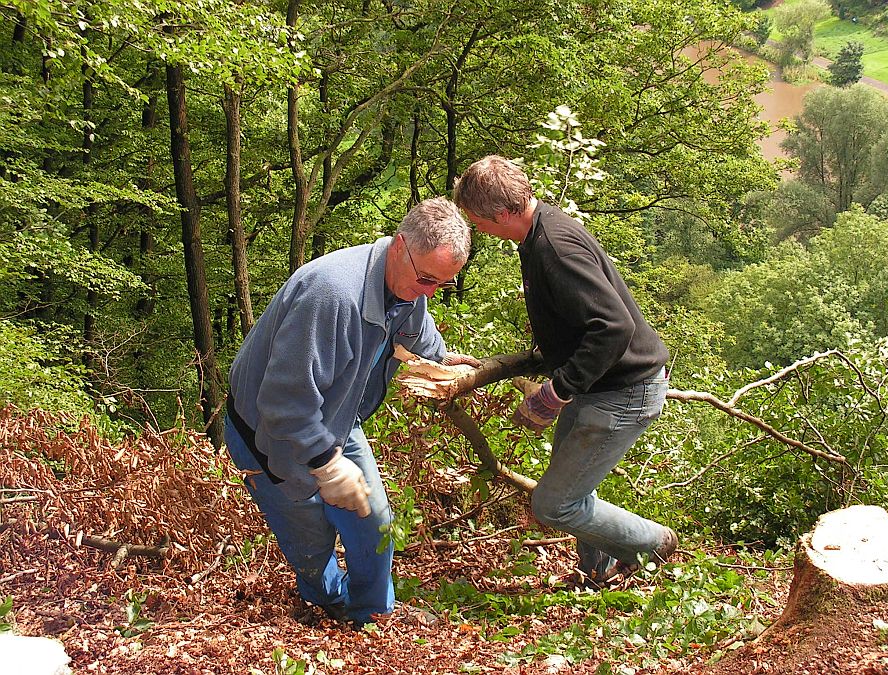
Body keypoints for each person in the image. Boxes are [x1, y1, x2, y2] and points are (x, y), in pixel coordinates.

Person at [225, 197, 478, 626]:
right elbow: (283, 401)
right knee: (311, 537)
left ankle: (373, 614)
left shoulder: (409, 285)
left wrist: (442, 359)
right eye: (426, 279)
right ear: (400, 246)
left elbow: (416, 330)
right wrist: (326, 465)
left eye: (442, 283)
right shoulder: (331, 295)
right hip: (269, 431)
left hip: (337, 417)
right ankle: (330, 601)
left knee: (373, 518)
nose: (430, 292)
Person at [453, 156, 677, 586]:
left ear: (501, 214)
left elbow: (614, 327)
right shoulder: (538, 234)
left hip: (623, 391)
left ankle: (653, 544)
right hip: (600, 386)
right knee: (573, 486)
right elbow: (578, 320)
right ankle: (597, 572)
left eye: (477, 221)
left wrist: (557, 391)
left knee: (554, 504)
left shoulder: (554, 247)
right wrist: (541, 360)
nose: (477, 229)